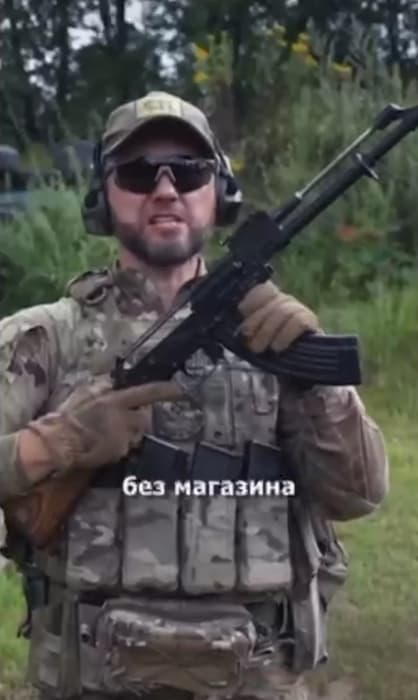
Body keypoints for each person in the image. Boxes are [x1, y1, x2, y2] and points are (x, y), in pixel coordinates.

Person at [0, 91, 389, 700]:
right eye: (138, 172)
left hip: (259, 678)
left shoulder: (274, 333)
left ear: (219, 191)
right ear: (104, 194)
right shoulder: (44, 339)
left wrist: (314, 378)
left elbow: (359, 495)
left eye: (188, 171)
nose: (165, 190)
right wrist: (57, 443)